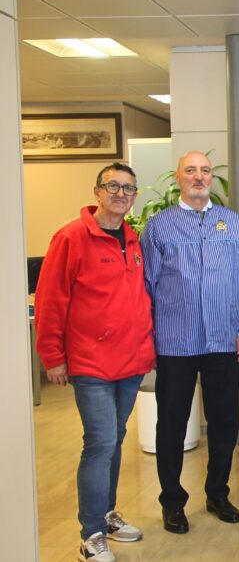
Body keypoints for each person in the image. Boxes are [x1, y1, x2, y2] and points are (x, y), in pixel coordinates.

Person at [35, 162, 154, 562]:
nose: (121, 194)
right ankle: (91, 534)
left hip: (130, 361)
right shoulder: (71, 238)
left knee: (115, 440)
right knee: (100, 443)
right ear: (97, 191)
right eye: (113, 186)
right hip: (91, 364)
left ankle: (106, 513)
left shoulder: (134, 240)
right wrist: (52, 356)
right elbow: (52, 302)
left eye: (129, 188)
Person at [142, 151, 239, 534]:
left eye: (205, 171)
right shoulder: (159, 226)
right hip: (174, 343)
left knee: (224, 423)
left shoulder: (233, 224)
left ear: (212, 179)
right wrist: (147, 339)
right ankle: (172, 502)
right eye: (190, 170)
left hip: (224, 342)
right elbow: (145, 286)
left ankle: (217, 493)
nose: (198, 177)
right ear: (178, 177)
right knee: (172, 424)